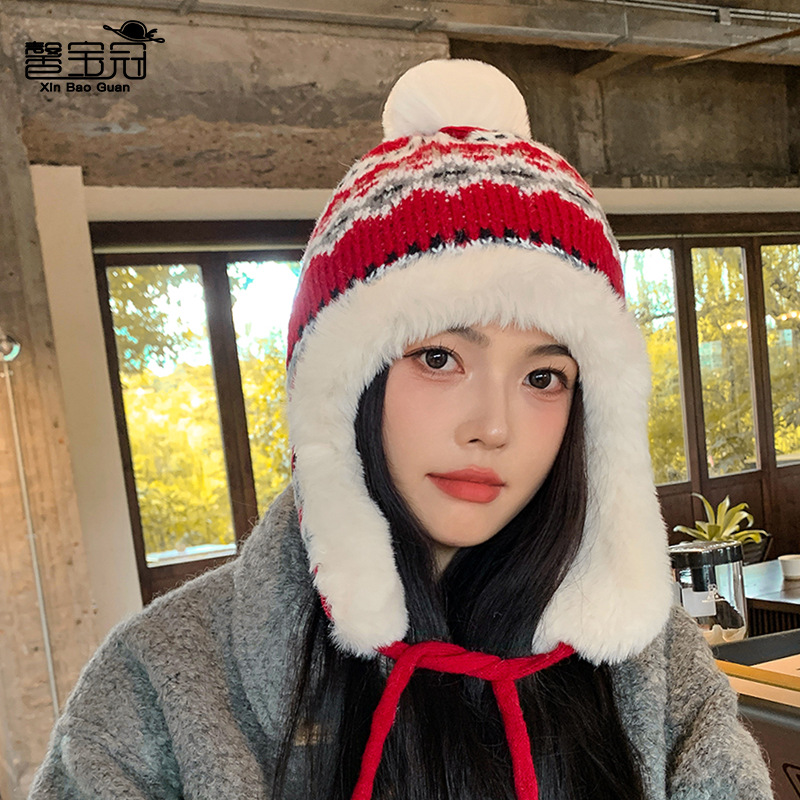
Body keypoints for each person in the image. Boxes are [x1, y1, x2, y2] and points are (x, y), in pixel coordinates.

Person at [29, 59, 773, 800]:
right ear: (341, 389)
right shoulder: (160, 685)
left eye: (543, 377)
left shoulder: (649, 659)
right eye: (439, 358)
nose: (493, 428)